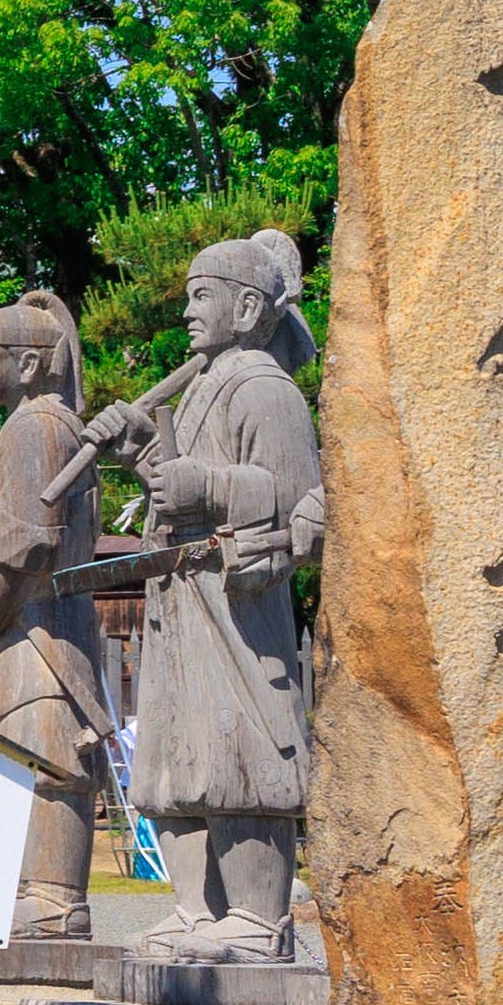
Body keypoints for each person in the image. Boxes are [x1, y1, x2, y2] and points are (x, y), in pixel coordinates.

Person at [106, 232, 327, 964]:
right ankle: (196, 910)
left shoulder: (266, 389)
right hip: (181, 600)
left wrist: (210, 486)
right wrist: (141, 451)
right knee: (177, 757)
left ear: (248, 305)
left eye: (202, 296)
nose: (187, 313)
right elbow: (175, 485)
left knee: (240, 748)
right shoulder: (202, 385)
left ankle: (258, 917)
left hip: (237, 608)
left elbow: (300, 503)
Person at [0, 289, 115, 945]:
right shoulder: (37, 424)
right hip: (27, 617)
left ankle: (55, 895)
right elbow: (4, 542)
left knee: (49, 752)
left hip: (39, 620)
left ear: (34, 362)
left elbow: (28, 544)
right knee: (23, 750)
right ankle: (32, 887)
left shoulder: (37, 426)